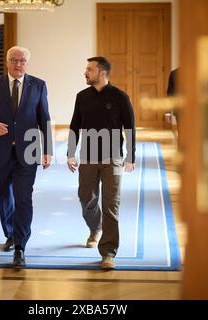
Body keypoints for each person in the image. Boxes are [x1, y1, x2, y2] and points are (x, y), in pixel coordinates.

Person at [0, 46, 52, 268]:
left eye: (22, 61)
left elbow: (43, 119)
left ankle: (20, 246)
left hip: (27, 153)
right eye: (14, 60)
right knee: (4, 197)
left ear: (28, 63)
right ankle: (9, 233)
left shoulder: (38, 85)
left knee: (24, 199)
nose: (18, 64)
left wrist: (47, 150)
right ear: (7, 62)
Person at [67, 56, 136, 269]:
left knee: (110, 204)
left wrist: (130, 156)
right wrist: (71, 153)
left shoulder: (120, 97)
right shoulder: (82, 97)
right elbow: (74, 125)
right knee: (85, 197)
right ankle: (95, 227)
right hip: (87, 155)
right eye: (86, 69)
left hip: (112, 157)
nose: (85, 73)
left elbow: (130, 128)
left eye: (89, 69)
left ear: (102, 73)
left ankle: (108, 252)